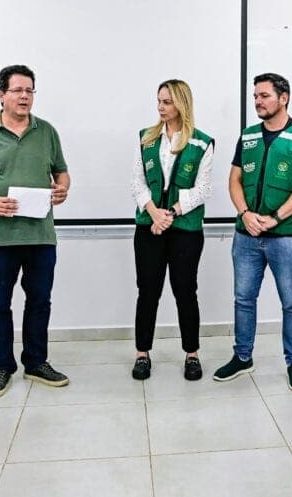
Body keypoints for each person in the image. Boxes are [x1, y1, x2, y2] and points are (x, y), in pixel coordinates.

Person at [0, 64, 71, 399]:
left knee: (39, 302)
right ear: (1, 94)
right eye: (17, 90)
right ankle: (1, 368)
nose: (24, 96)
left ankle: (36, 362)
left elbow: (62, 173)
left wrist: (62, 189)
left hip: (40, 237)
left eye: (29, 90)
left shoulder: (46, 131)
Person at [214, 72, 292, 392]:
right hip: (246, 236)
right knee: (243, 299)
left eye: (264, 96)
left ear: (283, 98)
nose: (258, 102)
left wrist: (275, 218)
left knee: (291, 302)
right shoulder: (247, 136)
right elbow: (234, 180)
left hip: (285, 237)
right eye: (255, 97)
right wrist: (245, 214)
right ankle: (243, 357)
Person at [129, 80, 214, 381]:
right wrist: (153, 212)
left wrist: (173, 212)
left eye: (166, 102)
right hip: (149, 227)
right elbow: (137, 182)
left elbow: (203, 188)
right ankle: (142, 354)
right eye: (159, 101)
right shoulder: (147, 139)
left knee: (185, 291)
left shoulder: (202, 142)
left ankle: (192, 354)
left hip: (185, 230)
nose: (160, 107)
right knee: (148, 291)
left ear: (181, 104)